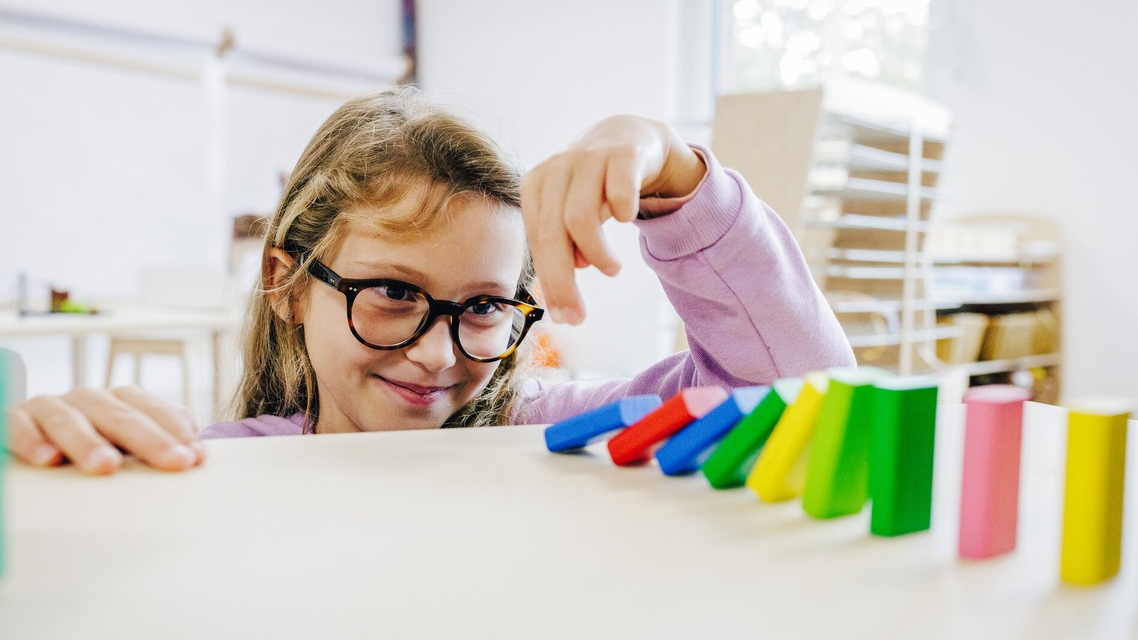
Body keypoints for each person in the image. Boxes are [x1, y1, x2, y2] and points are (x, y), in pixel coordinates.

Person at [4, 87, 854, 474]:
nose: (437, 355)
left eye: (483, 304)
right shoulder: (216, 470)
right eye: (395, 293)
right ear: (288, 283)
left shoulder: (550, 436)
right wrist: (46, 449)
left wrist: (675, 174)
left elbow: (804, 394)